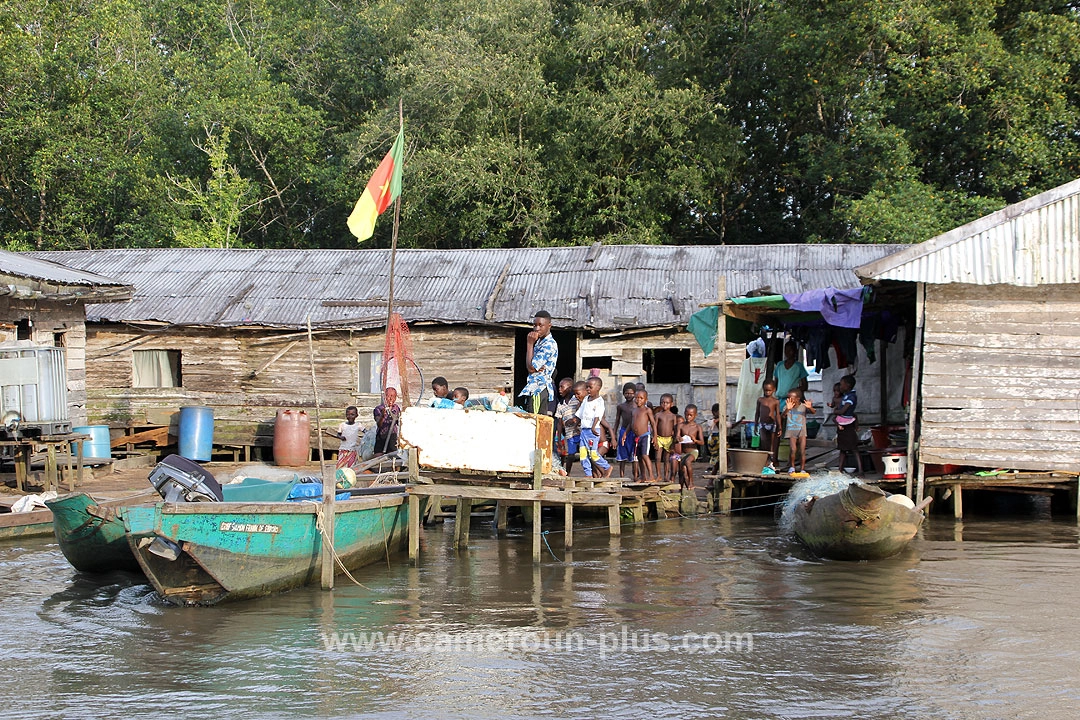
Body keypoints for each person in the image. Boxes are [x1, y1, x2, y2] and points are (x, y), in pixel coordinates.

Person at [519, 310, 558, 416]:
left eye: (541, 325)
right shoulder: (540, 342)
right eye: (534, 325)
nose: (537, 328)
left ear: (549, 325)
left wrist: (529, 343)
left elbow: (531, 368)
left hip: (539, 389)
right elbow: (532, 366)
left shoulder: (549, 344)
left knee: (535, 420)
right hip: (534, 388)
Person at [575, 376, 612, 478]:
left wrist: (593, 426)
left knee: (593, 454)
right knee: (583, 454)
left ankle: (607, 467)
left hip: (593, 431)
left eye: (590, 387)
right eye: (587, 387)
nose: (588, 389)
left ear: (598, 388)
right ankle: (588, 474)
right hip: (584, 431)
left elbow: (598, 415)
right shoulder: (586, 399)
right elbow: (580, 413)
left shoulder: (599, 401)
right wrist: (575, 424)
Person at [835, 374, 863, 475]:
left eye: (842, 384)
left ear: (848, 385)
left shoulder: (851, 397)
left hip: (848, 423)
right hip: (843, 423)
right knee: (842, 448)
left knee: (854, 448)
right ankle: (840, 470)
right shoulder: (846, 396)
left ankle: (861, 471)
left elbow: (843, 410)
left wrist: (836, 412)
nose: (840, 387)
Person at [672, 404, 705, 489]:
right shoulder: (681, 426)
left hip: (693, 451)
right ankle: (683, 490)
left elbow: (702, 442)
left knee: (687, 462)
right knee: (682, 471)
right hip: (683, 452)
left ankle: (691, 482)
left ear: (695, 415)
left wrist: (695, 440)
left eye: (691, 415)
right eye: (687, 415)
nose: (688, 417)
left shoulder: (697, 427)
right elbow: (676, 438)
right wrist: (678, 439)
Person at [782, 388, 814, 473]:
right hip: (791, 431)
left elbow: (814, 412)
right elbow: (783, 416)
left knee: (802, 450)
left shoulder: (803, 407)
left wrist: (810, 407)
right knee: (793, 449)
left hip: (802, 431)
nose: (789, 400)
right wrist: (787, 409)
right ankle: (792, 467)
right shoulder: (787, 407)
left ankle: (802, 469)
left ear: (798, 399)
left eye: (791, 398)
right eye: (788, 398)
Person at [629, 389, 659, 482]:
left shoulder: (647, 410)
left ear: (646, 399)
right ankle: (643, 477)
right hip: (636, 437)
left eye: (641, 398)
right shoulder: (634, 411)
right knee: (639, 457)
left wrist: (655, 436)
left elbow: (653, 423)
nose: (638, 400)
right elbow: (631, 424)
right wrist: (625, 434)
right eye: (637, 398)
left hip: (645, 436)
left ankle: (651, 476)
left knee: (645, 455)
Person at [554, 378, 582, 474]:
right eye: (559, 387)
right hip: (570, 434)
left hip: (581, 431)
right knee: (570, 455)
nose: (559, 389)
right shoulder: (560, 405)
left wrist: (575, 420)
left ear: (569, 388)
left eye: (562, 387)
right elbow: (559, 422)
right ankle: (568, 474)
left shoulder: (577, 399)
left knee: (586, 453)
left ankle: (593, 474)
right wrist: (559, 438)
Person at [614, 382, 638, 480]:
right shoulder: (621, 406)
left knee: (635, 456)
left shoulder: (637, 406)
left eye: (631, 393)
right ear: (623, 394)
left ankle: (635, 476)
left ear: (635, 394)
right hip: (623, 431)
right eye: (627, 393)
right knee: (622, 455)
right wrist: (614, 434)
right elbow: (617, 420)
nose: (629, 395)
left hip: (634, 432)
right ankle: (621, 476)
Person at [754, 380, 781, 470]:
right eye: (765, 390)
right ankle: (766, 461)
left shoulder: (775, 401)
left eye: (769, 390)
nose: (767, 392)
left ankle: (772, 461)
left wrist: (779, 427)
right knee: (764, 442)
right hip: (762, 424)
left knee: (772, 444)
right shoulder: (760, 400)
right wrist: (755, 425)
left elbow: (777, 414)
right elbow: (757, 413)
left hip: (772, 424)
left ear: (774, 390)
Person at [327, 405, 363, 470]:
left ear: (356, 415)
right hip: (343, 449)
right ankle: (340, 478)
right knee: (341, 465)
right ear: (346, 415)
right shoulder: (342, 425)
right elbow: (338, 435)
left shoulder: (358, 425)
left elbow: (366, 431)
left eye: (352, 414)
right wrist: (341, 437)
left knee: (351, 467)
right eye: (348, 414)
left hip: (352, 450)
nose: (350, 416)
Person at [654, 394, 678, 483]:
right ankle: (658, 475)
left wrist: (674, 442)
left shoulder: (673, 416)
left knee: (667, 459)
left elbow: (675, 429)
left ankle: (666, 476)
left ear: (671, 404)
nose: (665, 404)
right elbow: (654, 427)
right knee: (657, 458)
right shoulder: (658, 415)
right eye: (663, 402)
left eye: (667, 403)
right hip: (659, 438)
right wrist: (655, 439)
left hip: (669, 439)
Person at [373, 387, 401, 455]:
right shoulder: (379, 409)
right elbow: (379, 424)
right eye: (389, 396)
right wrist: (383, 415)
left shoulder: (396, 408)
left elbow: (399, 422)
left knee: (392, 456)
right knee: (379, 456)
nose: (391, 399)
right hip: (382, 436)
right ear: (385, 397)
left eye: (393, 396)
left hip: (392, 436)